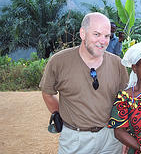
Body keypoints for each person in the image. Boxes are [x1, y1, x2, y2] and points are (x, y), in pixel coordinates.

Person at [39, 12, 129, 154]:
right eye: (97, 34)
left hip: (110, 138)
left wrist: (124, 137)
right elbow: (47, 94)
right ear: (83, 33)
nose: (103, 41)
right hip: (75, 140)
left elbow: (125, 100)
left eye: (107, 36)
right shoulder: (59, 61)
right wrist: (59, 114)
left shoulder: (117, 64)